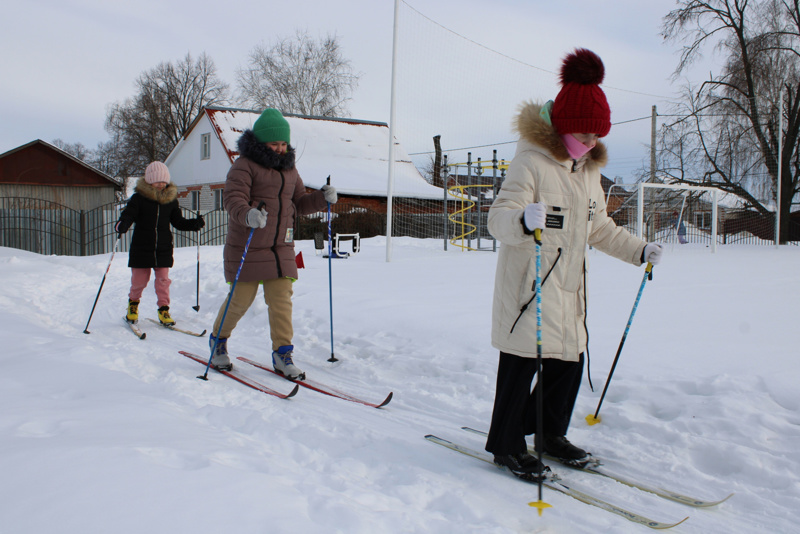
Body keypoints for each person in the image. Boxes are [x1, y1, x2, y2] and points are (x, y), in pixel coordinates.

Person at [484, 48, 664, 477]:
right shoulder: (530, 162)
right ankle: (505, 444)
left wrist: (639, 251)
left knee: (569, 362)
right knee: (521, 364)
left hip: (569, 290)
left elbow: (598, 229)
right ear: (564, 127)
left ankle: (550, 434)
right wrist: (523, 222)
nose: (591, 144)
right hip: (529, 290)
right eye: (584, 135)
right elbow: (496, 220)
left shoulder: (588, 173)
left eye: (596, 137)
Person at [207, 108, 337, 375]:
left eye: (283, 143)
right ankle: (218, 342)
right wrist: (248, 214)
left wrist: (322, 198)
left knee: (281, 301)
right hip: (248, 245)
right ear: (261, 142)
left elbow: (299, 203)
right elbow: (233, 200)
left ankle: (283, 354)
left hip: (281, 248)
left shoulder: (290, 169)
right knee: (240, 300)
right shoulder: (243, 166)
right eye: (273, 143)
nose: (279, 149)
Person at [116, 161, 205, 326]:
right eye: (157, 181)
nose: (161, 184)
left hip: (163, 248)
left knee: (163, 281)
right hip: (142, 247)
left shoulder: (170, 200)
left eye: (163, 181)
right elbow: (128, 214)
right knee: (139, 282)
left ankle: (164, 309)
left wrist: (194, 224)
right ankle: (133, 306)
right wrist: (123, 224)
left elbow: (178, 222)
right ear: (150, 181)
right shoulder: (139, 199)